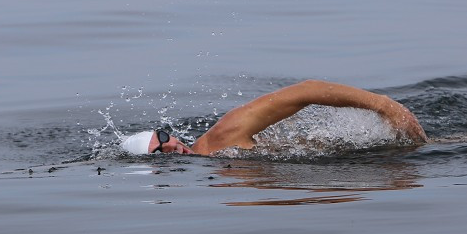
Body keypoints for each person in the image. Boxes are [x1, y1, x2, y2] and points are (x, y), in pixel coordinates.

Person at [120, 79, 427, 156]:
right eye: (158, 154)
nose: (170, 147)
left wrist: (385, 106)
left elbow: (307, 90)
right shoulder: (214, 170)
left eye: (162, 137)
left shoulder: (223, 136)